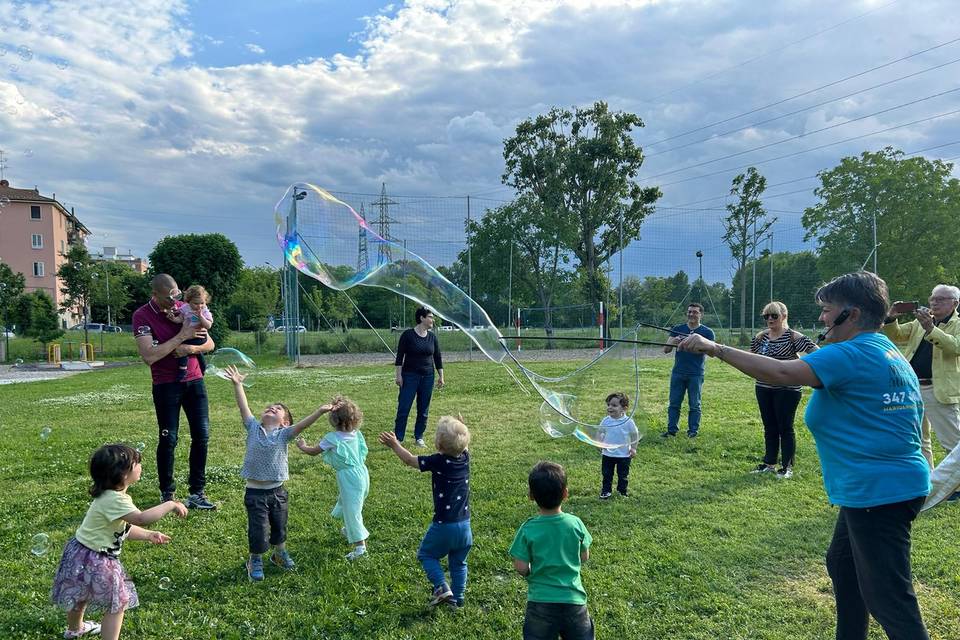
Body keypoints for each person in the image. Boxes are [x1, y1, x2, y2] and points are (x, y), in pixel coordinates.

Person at [678, 271, 930, 640]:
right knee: (843, 564)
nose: (821, 318)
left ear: (853, 314)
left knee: (890, 598)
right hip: (885, 487)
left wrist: (715, 348)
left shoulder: (851, 353)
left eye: (828, 310)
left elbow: (781, 372)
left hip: (880, 491)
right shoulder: (885, 349)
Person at [51, 444, 187, 640]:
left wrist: (148, 535)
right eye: (136, 463)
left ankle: (75, 629)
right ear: (122, 474)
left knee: (80, 595)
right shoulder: (115, 500)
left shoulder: (109, 496)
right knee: (118, 602)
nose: (140, 465)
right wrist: (170, 504)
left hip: (80, 553)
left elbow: (123, 528)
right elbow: (141, 518)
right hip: (99, 559)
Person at [222, 365, 333, 581]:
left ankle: (279, 553)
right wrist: (238, 384)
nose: (271, 408)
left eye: (278, 409)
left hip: (278, 492)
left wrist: (319, 411)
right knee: (258, 529)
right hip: (254, 493)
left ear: (285, 422)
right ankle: (255, 558)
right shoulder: (253, 427)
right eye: (269, 407)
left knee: (279, 527)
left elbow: (302, 426)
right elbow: (243, 407)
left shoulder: (285, 435)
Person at [132, 274, 216, 509]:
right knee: (169, 439)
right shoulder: (142, 315)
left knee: (202, 436)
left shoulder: (186, 308)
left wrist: (188, 348)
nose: (175, 302)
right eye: (170, 297)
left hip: (195, 380)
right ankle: (167, 494)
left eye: (177, 295)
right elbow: (149, 355)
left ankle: (197, 493)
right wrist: (182, 336)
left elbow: (209, 343)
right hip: (166, 385)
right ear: (155, 295)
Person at [379, 416, 472, 608]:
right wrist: (463, 428)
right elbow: (464, 445)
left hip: (444, 525)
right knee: (459, 562)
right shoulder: (465, 458)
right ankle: (458, 599)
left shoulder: (438, 461)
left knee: (426, 555)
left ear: (438, 444)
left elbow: (409, 460)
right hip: (465, 527)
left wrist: (395, 444)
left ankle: (441, 586)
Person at [510, 461, 593, 640]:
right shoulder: (575, 523)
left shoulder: (528, 528)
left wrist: (532, 570)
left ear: (531, 496)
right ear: (565, 493)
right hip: (574, 601)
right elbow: (584, 556)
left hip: (540, 603)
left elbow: (521, 567)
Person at [884, 284, 960, 471]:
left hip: (939, 388)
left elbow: (955, 347)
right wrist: (891, 317)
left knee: (952, 442)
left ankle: (956, 485)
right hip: (912, 387)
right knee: (919, 438)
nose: (934, 302)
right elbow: (897, 335)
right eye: (932, 298)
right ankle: (927, 479)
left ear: (955, 303)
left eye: (941, 299)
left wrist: (930, 329)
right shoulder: (921, 321)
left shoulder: (956, 324)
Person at [749, 301, 818, 479]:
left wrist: (801, 369)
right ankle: (769, 463)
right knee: (769, 426)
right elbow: (752, 359)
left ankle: (787, 467)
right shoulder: (760, 337)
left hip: (787, 390)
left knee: (785, 427)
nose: (770, 319)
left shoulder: (793, 337)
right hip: (763, 387)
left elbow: (818, 354)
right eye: (766, 316)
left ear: (784, 316)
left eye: (774, 315)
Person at [297, 395, 370, 560]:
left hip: (349, 477)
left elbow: (314, 451)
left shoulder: (333, 438)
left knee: (353, 511)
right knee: (350, 502)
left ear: (334, 420)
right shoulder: (357, 434)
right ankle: (350, 529)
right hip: (362, 474)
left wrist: (303, 446)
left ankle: (360, 548)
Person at [661, 302, 715, 438]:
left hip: (696, 373)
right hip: (678, 372)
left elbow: (712, 353)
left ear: (701, 314)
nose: (691, 314)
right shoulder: (678, 328)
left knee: (694, 404)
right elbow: (666, 349)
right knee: (674, 403)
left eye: (695, 312)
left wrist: (698, 346)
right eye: (689, 311)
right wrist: (674, 341)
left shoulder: (707, 332)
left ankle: (693, 432)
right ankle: (671, 430)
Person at [394, 307, 445, 447]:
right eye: (430, 317)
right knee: (404, 408)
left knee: (423, 409)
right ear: (422, 318)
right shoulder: (407, 335)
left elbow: (438, 357)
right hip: (409, 376)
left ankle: (419, 437)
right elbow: (399, 358)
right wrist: (398, 376)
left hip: (428, 377)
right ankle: (398, 438)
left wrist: (441, 376)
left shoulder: (432, 337)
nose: (432, 320)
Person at [167, 284, 213, 382]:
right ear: (188, 302)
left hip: (200, 336)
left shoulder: (204, 311)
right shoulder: (185, 308)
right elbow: (180, 319)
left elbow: (208, 325)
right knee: (195, 351)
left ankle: (182, 369)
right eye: (196, 303)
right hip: (189, 334)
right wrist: (173, 319)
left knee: (183, 347)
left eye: (202, 303)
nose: (199, 306)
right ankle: (203, 367)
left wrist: (201, 317)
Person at [598, 392, 638, 499]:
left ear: (624, 409)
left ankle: (622, 491)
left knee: (623, 475)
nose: (610, 407)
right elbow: (600, 432)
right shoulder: (606, 420)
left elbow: (634, 435)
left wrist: (633, 448)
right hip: (607, 454)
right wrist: (600, 442)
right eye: (609, 405)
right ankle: (606, 491)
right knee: (607, 474)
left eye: (614, 405)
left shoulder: (628, 422)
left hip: (624, 455)